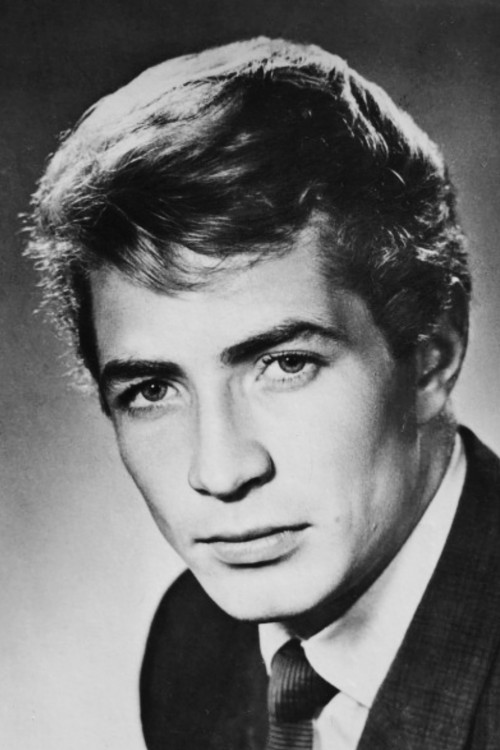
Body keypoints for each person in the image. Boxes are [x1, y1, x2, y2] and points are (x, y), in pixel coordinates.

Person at [26, 37, 500, 750]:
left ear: (432, 357)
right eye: (152, 389)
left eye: (285, 363)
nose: (220, 472)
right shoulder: (196, 641)